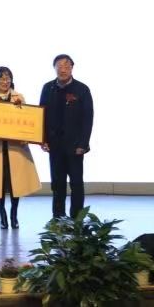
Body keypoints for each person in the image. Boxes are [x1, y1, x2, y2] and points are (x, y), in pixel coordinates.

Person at [0, 66, 41, 229]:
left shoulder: (19, 97)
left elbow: (26, 119)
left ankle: (14, 214)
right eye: (1, 79)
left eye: (7, 78)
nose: (5, 82)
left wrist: (28, 136)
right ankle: (2, 215)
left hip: (15, 147)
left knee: (15, 183)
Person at [39, 54, 94, 218]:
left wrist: (83, 144)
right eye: (59, 66)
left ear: (72, 68)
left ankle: (77, 219)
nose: (62, 70)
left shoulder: (82, 89)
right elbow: (40, 115)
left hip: (75, 146)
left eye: (66, 66)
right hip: (54, 145)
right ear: (54, 68)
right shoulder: (47, 88)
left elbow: (88, 118)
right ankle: (58, 218)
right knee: (57, 184)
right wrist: (42, 139)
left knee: (76, 183)